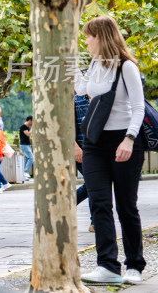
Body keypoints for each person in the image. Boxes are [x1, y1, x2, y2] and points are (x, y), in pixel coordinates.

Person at [75, 16, 145, 285]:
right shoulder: (94, 64)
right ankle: (107, 265)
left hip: (124, 140)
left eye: (88, 37)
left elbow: (138, 107)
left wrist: (129, 139)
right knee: (99, 203)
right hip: (94, 142)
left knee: (126, 206)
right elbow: (82, 90)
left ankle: (135, 266)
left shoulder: (126, 66)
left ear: (101, 37)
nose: (86, 41)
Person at [73, 93, 94, 232]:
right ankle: (95, 222)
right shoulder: (76, 100)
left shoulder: (101, 96)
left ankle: (95, 222)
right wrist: (75, 147)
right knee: (93, 184)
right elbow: (66, 126)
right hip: (81, 147)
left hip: (99, 147)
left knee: (94, 184)